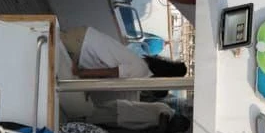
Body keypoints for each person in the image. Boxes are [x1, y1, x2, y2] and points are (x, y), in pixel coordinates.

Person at [58, 27, 187, 84]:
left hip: (86, 42)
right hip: (83, 44)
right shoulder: (141, 71)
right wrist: (80, 73)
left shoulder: (145, 65)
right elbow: (112, 72)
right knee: (49, 39)